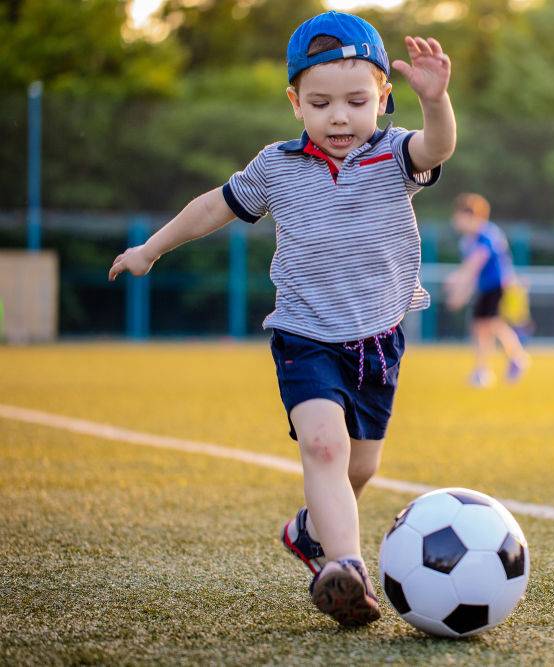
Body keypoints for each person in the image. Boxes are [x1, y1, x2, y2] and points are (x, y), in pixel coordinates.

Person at [108, 11, 455, 627]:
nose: (340, 117)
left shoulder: (395, 155)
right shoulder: (277, 165)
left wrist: (437, 103)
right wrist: (149, 249)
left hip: (378, 338)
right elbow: (213, 207)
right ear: (296, 103)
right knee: (324, 446)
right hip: (305, 336)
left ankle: (307, 530)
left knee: (361, 466)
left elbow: (438, 146)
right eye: (321, 103)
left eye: (356, 101)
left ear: (384, 97)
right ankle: (345, 570)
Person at [445, 193, 530, 387]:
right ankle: (514, 359)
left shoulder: (487, 235)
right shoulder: (468, 240)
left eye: (458, 215)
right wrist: (461, 293)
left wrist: (457, 282)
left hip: (498, 286)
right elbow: (473, 274)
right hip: (487, 288)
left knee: (484, 327)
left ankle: (484, 371)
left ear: (469, 216)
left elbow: (475, 264)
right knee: (490, 326)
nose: (455, 220)